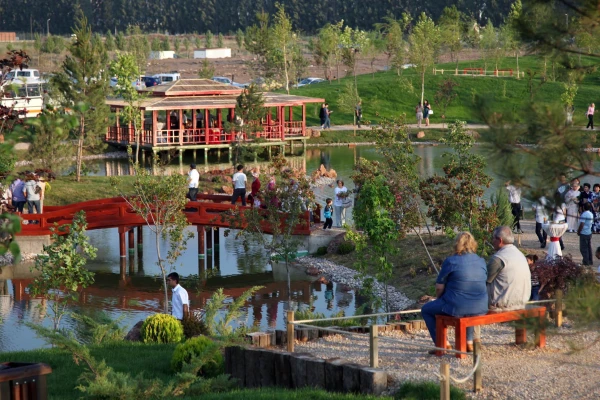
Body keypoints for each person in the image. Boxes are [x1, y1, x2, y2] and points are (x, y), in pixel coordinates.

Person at [421, 232, 488, 353]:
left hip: (456, 305)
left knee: (426, 310)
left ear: (457, 244)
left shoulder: (451, 261)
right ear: (473, 244)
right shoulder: (481, 261)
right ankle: (469, 342)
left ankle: (442, 345)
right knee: (469, 305)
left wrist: (439, 298)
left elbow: (439, 287)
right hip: (480, 306)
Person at [486, 226, 531, 310]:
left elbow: (484, 280)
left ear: (500, 240)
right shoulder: (520, 255)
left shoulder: (498, 258)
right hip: (522, 303)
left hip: (502, 306)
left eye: (493, 238)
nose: (492, 241)